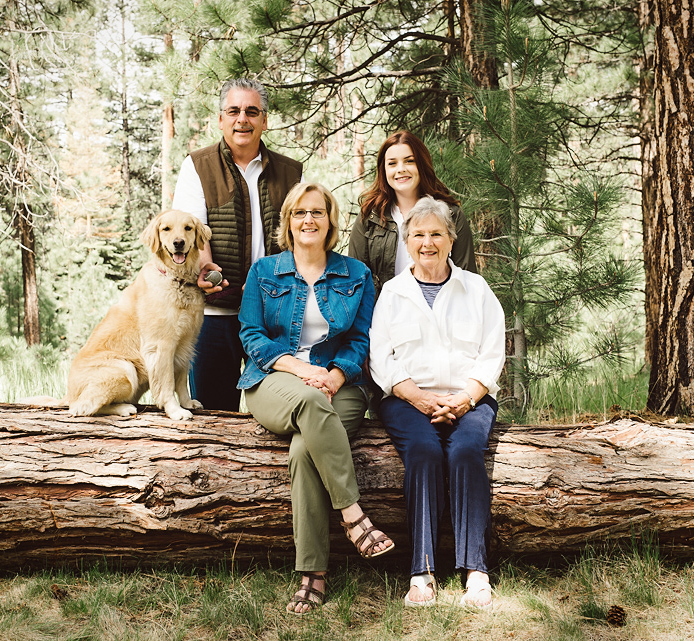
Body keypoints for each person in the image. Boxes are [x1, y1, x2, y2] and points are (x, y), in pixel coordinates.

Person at [238, 182, 395, 614]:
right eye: (299, 212)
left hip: (340, 384)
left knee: (303, 450)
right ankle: (354, 515)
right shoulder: (264, 271)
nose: (308, 219)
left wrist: (335, 374)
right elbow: (251, 334)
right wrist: (302, 370)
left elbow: (361, 339)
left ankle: (312, 574)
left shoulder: (356, 274)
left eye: (317, 213)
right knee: (308, 404)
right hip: (274, 380)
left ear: (330, 222)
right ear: (288, 222)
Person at [368, 196, 506, 609]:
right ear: (407, 241)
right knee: (424, 453)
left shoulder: (476, 289)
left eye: (436, 234)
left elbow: (492, 353)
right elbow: (380, 358)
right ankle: (422, 571)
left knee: (466, 452)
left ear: (450, 239)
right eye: (418, 235)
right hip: (407, 400)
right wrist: (420, 398)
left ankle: (476, 572)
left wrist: (464, 399)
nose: (427, 243)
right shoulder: (392, 293)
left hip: (471, 397)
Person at [172, 78, 302, 411]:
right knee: (214, 415)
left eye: (251, 111)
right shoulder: (197, 166)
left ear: (264, 120)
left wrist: (269, 284)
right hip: (215, 313)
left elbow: (299, 238)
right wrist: (206, 268)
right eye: (233, 111)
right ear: (221, 119)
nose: (242, 119)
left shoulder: (290, 173)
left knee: (280, 409)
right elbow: (192, 228)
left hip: (273, 315)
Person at [348, 130, 477, 299]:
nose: (401, 169)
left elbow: (467, 278)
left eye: (409, 161)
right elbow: (355, 281)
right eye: (392, 163)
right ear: (383, 170)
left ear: (421, 165)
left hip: (440, 310)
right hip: (385, 311)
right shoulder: (369, 217)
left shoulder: (451, 214)